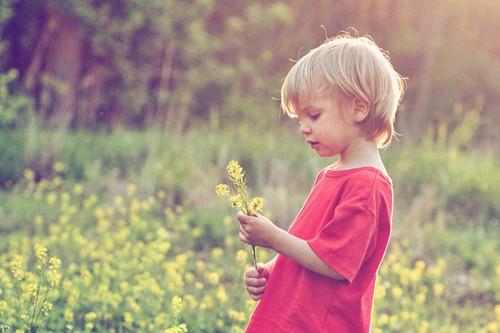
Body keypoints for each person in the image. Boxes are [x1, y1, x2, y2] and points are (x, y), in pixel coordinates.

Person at [236, 32, 406, 333]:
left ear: (358, 108)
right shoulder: (331, 175)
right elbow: (312, 242)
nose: (303, 128)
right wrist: (273, 271)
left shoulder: (367, 185)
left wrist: (273, 237)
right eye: (300, 119)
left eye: (313, 115)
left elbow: (334, 264)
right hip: (290, 318)